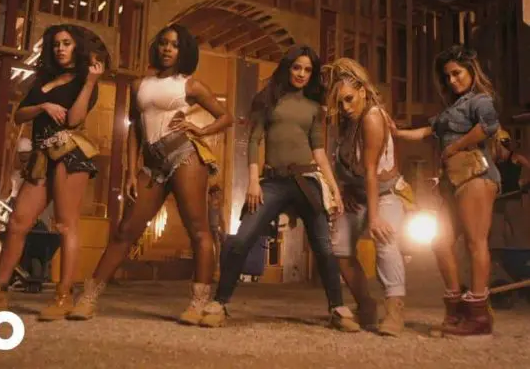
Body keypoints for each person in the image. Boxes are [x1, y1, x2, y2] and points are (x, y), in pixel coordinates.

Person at [69, 23, 233, 325]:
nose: (167, 49)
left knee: (198, 230)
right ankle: (88, 298)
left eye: (174, 45)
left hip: (184, 154)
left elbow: (226, 117)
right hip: (152, 161)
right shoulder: (139, 85)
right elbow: (135, 129)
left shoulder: (190, 85)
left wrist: (200, 130)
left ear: (183, 51)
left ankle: (198, 303)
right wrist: (131, 171)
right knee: (126, 230)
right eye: (163, 43)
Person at [199, 45, 358, 331]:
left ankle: (337, 307)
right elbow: (254, 141)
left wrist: (333, 188)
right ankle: (219, 303)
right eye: (297, 67)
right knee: (241, 239)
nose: (302, 74)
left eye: (307, 70)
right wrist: (253, 181)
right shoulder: (268, 99)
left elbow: (318, 150)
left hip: (307, 180)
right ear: (287, 67)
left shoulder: (313, 107)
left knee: (323, 246)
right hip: (272, 181)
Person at [0, 24, 105, 320]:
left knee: (66, 225)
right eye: (56, 44)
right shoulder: (43, 79)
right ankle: (0, 289)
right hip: (41, 154)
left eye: (66, 43)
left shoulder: (84, 80)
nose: (60, 48)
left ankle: (63, 296)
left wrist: (90, 82)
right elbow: (20, 115)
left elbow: (75, 120)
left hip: (70, 153)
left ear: (76, 47)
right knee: (18, 222)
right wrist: (43, 106)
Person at [391, 45, 500, 337]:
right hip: (452, 180)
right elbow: (425, 132)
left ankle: (479, 316)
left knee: (476, 242)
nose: (452, 80)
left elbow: (489, 127)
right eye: (447, 76)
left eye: (457, 73)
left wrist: (455, 146)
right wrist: (396, 132)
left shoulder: (480, 100)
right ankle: (456, 309)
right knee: (440, 242)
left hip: (476, 174)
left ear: (471, 71)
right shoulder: (449, 110)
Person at [322, 57, 408, 336]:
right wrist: (345, 188)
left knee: (384, 239)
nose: (345, 108)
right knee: (340, 248)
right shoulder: (347, 120)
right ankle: (366, 306)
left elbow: (371, 170)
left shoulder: (372, 116)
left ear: (361, 90)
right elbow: (345, 161)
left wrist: (374, 218)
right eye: (340, 103)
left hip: (385, 192)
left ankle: (394, 311)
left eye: (349, 99)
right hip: (357, 192)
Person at [208, 184, 226, 271]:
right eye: (218, 193)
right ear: (213, 194)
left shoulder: (219, 205)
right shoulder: (207, 204)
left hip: (215, 229)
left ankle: (217, 266)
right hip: (208, 229)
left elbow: (222, 220)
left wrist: (223, 232)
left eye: (220, 193)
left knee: (219, 245)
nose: (219, 195)